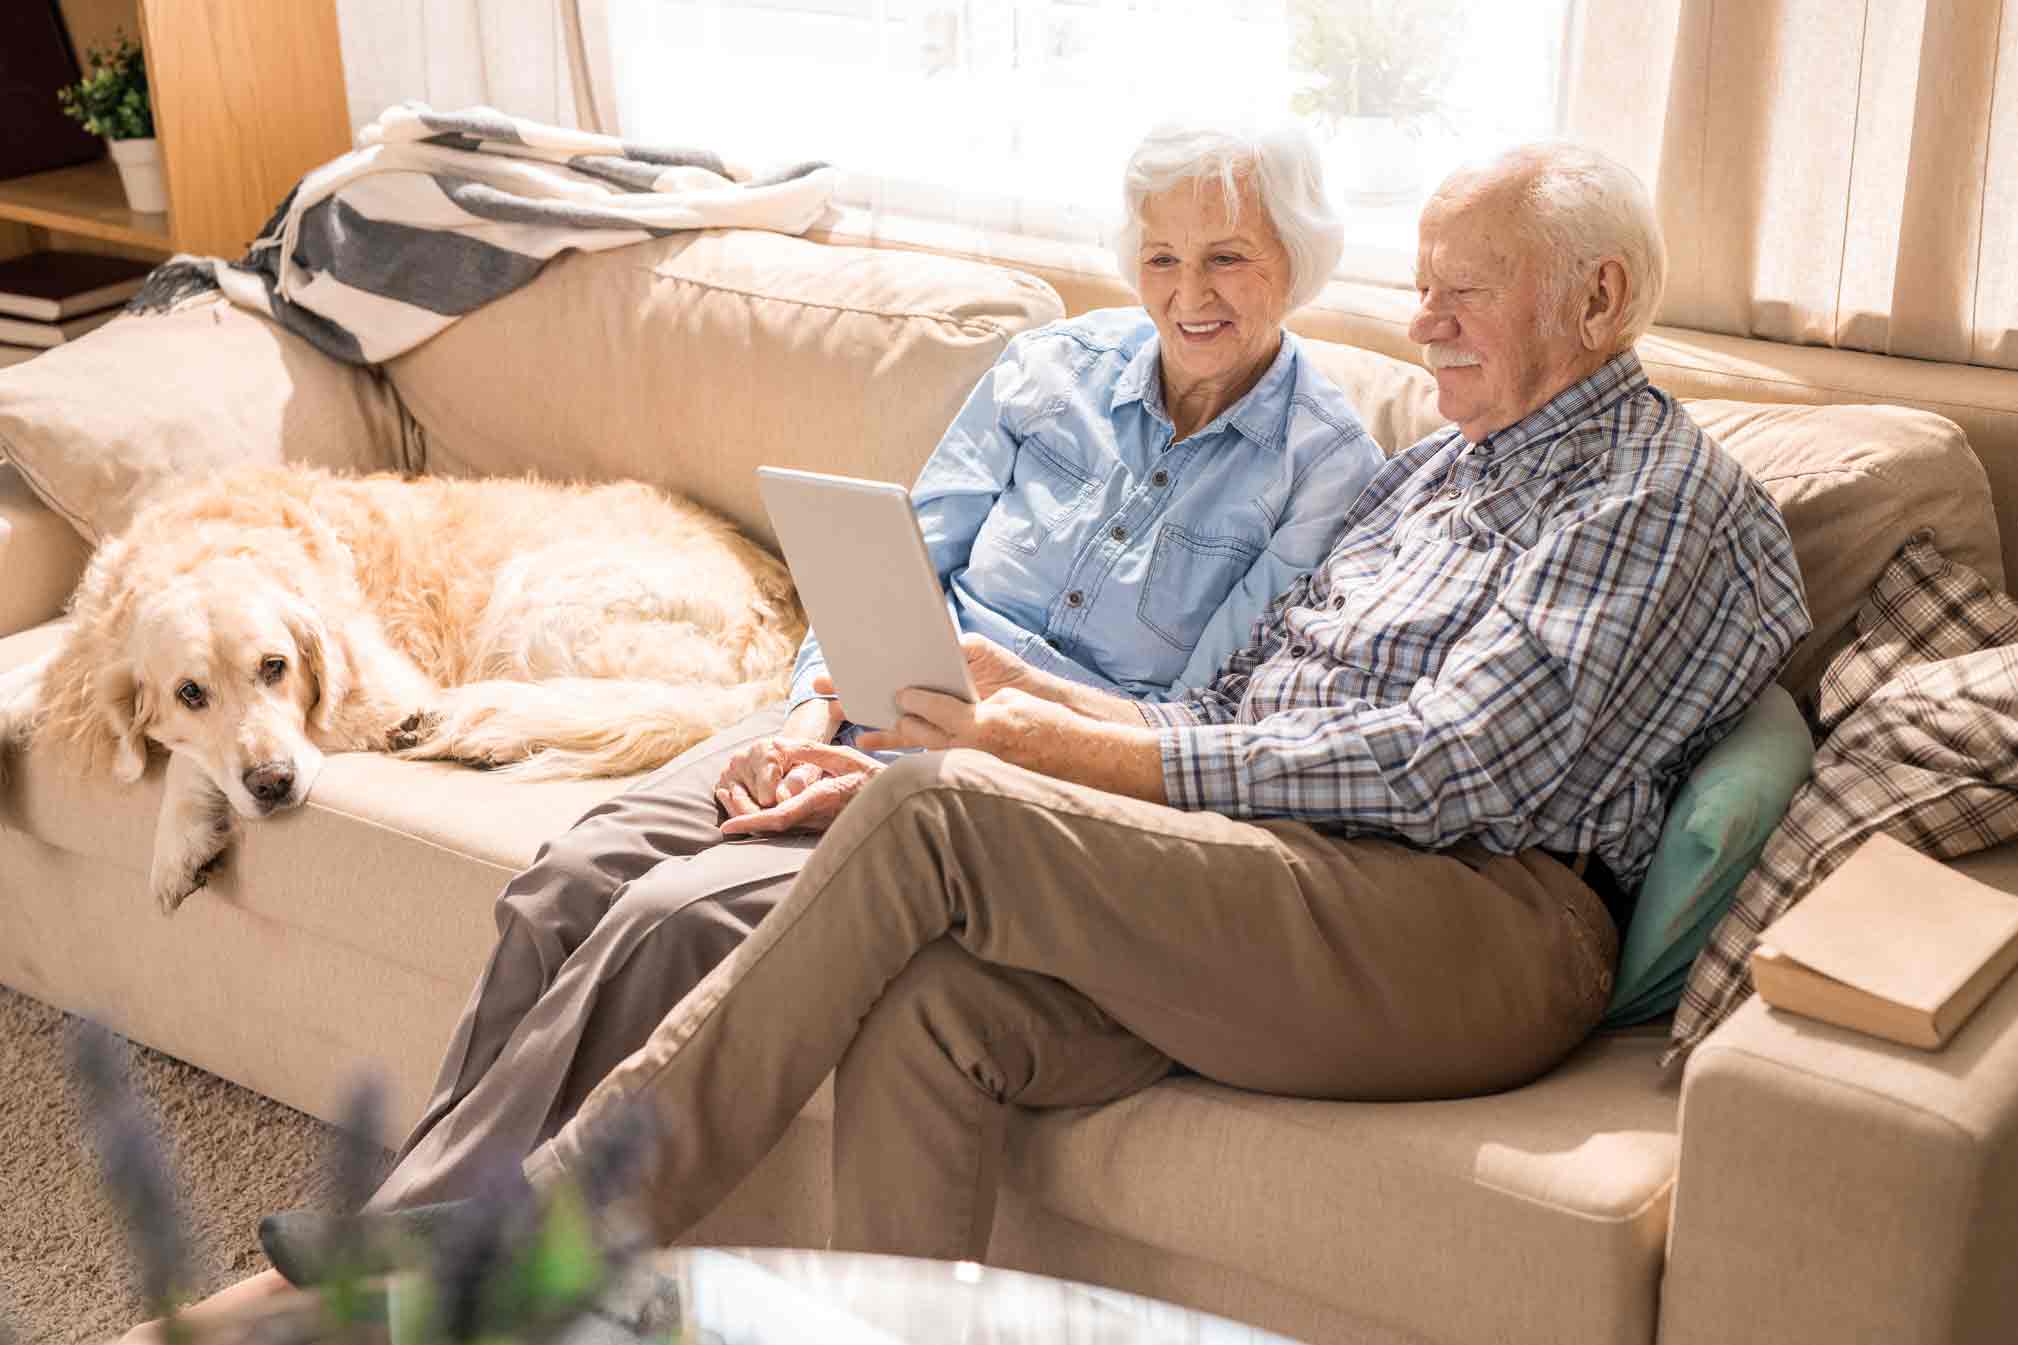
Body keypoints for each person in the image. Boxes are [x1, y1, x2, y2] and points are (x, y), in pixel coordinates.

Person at [257, 138, 1813, 1279]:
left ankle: (531, 1240)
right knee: (938, 1011)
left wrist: (1051, 746)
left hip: (1474, 916)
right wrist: (1020, 693)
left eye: (1463, 298)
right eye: (1424, 294)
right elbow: (1266, 697)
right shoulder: (1444, 469)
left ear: (1596, 297)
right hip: (1312, 864)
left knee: (942, 805)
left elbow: (1461, 759)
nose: (1421, 330)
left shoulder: (1658, 492)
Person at [123, 120, 1383, 1338]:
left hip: (1008, 787)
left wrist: (942, 749)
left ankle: (362, 1284)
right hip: (857, 708)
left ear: (1298, 262)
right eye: (1162, 256)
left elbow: (1191, 729)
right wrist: (805, 710)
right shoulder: (1051, 370)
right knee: (567, 878)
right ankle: (418, 1257)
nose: (1188, 291)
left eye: (1226, 257)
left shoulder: (1322, 464)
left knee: (676, 919)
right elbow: (888, 560)